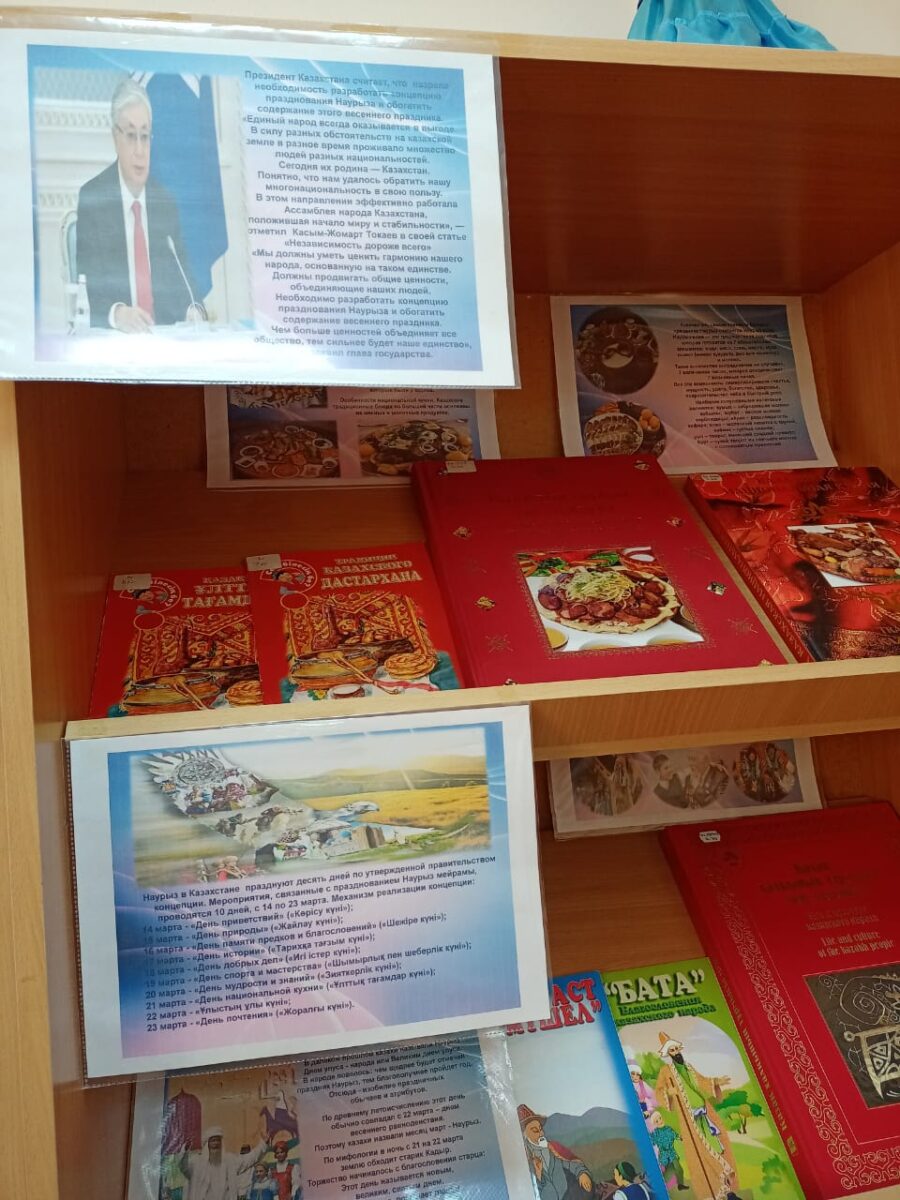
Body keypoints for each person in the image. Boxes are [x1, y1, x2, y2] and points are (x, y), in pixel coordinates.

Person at [76, 78, 205, 331]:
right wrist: (118, 314)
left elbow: (187, 285)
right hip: (118, 342)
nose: (139, 150)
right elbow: (88, 286)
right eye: (131, 136)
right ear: (116, 137)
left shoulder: (165, 203)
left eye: (145, 137)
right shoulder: (93, 199)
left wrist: (194, 310)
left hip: (163, 340)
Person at [654, 1032, 738, 1200]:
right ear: (668, 1053)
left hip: (704, 1113)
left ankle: (728, 1191)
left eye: (677, 1049)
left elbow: (701, 1081)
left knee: (715, 1147)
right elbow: (658, 1091)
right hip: (689, 1118)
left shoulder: (689, 1067)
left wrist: (716, 1081)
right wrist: (668, 1092)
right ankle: (716, 1192)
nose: (676, 1052)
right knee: (701, 1153)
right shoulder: (666, 1071)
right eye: (672, 1050)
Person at [518, 1104, 593, 1199]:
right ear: (525, 1135)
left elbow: (568, 1163)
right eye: (535, 1131)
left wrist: (581, 1172)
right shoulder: (524, 1160)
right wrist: (539, 1175)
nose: (541, 1134)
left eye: (540, 1129)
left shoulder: (552, 1148)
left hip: (566, 1195)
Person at [179, 1126, 268, 1200]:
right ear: (207, 1144)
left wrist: (263, 1144)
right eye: (213, 1140)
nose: (216, 1143)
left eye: (218, 1140)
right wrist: (184, 1152)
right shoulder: (197, 1163)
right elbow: (184, 1168)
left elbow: (248, 1159)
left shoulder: (229, 1160)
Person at [647, 1111, 687, 1190]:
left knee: (679, 1169)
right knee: (669, 1172)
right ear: (655, 1123)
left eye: (660, 1118)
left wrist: (681, 1137)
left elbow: (675, 1135)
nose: (660, 1121)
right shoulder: (655, 1133)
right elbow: (651, 1141)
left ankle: (680, 1185)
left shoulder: (668, 1128)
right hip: (664, 1156)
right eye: (657, 1121)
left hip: (672, 1153)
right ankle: (658, 1185)